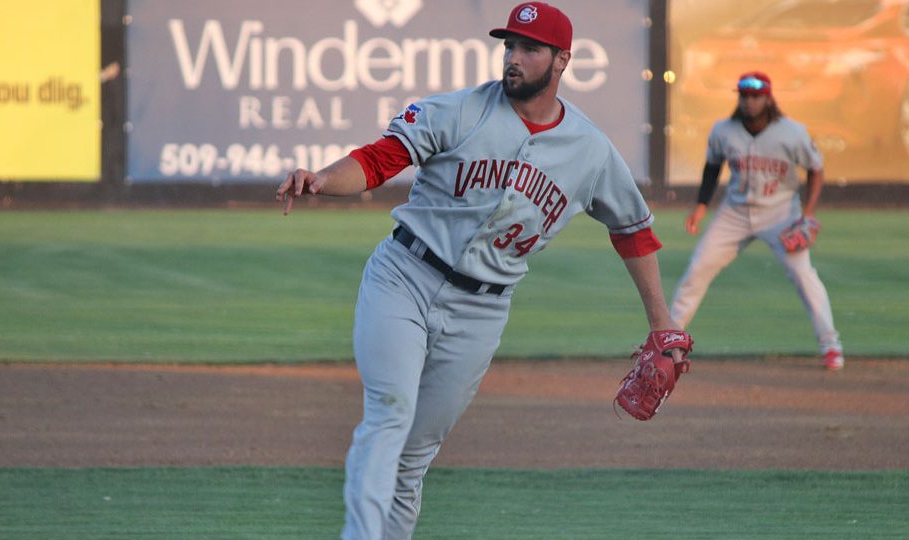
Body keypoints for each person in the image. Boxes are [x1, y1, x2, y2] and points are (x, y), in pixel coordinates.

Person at [278, 3, 691, 538]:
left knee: (414, 457)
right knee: (390, 413)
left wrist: (662, 322)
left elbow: (633, 230)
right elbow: (379, 160)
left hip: (482, 309)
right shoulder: (458, 110)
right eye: (509, 46)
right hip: (405, 276)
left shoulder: (590, 151)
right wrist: (322, 179)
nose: (513, 58)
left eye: (529, 48)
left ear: (562, 59)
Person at [669, 71, 844, 370]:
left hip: (780, 214)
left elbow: (816, 169)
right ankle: (668, 342)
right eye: (744, 96)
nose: (749, 102)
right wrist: (700, 206)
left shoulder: (792, 132)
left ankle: (831, 345)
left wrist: (809, 212)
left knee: (804, 276)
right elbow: (712, 167)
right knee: (697, 270)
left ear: (768, 98)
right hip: (734, 214)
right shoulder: (723, 130)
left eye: (756, 96)